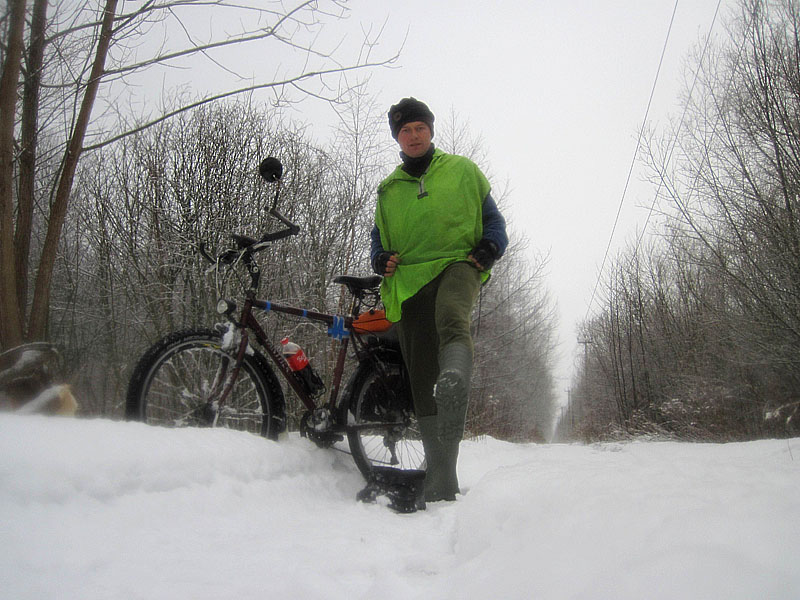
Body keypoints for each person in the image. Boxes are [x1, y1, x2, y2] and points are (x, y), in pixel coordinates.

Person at [370, 97, 508, 503]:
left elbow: (495, 222)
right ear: (397, 137)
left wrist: (489, 247)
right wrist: (381, 259)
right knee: (420, 371)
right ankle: (442, 479)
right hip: (410, 278)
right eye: (404, 130)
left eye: (419, 128)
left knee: (451, 315)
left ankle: (457, 379)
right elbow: (378, 238)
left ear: (430, 131)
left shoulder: (463, 171)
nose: (413, 136)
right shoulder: (389, 189)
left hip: (457, 264)